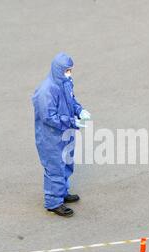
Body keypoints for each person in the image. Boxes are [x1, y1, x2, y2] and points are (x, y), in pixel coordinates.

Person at [31, 52, 91, 218]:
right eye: (67, 70)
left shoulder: (65, 83)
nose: (69, 73)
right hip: (51, 137)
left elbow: (71, 101)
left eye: (70, 70)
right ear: (58, 69)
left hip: (65, 134)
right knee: (55, 167)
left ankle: (62, 192)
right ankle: (53, 202)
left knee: (66, 163)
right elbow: (48, 117)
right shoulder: (46, 90)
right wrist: (71, 121)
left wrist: (80, 110)